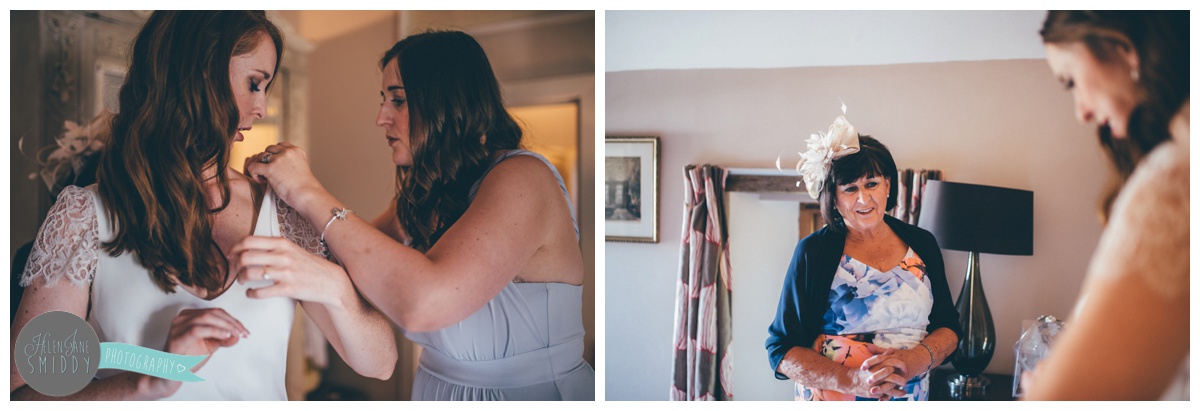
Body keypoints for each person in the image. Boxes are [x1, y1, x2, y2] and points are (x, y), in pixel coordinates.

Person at [9, 11, 396, 400]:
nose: (260, 107)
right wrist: (147, 382)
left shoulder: (280, 211)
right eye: (254, 83)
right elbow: (23, 393)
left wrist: (333, 283)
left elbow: (380, 364)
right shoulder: (83, 215)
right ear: (199, 73)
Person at [239, 30, 594, 400]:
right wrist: (275, 205)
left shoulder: (524, 179)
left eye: (398, 100)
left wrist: (307, 191)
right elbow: (342, 265)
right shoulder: (422, 201)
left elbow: (424, 304)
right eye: (384, 101)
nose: (381, 118)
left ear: (446, 102)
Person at [1025, 11, 1188, 400]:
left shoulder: (1173, 182)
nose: (1081, 112)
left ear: (1122, 48)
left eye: (1071, 82)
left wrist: (1047, 387)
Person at [765, 115, 961, 401]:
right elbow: (780, 350)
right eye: (850, 189)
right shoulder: (813, 253)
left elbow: (949, 327)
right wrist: (853, 380)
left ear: (888, 185)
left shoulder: (922, 243)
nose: (864, 199)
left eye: (871, 184)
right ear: (833, 197)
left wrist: (914, 360)